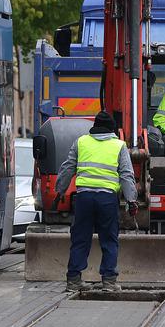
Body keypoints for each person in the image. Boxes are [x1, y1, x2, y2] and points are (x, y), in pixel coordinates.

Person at [53, 111, 137, 293]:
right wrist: (132, 200)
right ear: (112, 128)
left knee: (80, 238)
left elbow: (67, 167)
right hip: (107, 199)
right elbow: (126, 175)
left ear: (94, 127)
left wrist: (59, 191)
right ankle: (109, 282)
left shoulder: (81, 142)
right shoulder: (119, 145)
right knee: (109, 239)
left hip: (84, 198)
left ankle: (74, 280)